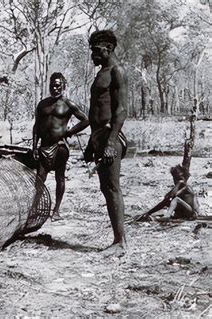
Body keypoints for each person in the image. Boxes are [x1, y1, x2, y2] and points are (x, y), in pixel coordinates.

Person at [84, 30, 128, 252]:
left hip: (110, 137)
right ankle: (116, 239)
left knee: (112, 187)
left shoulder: (117, 71)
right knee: (105, 187)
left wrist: (111, 142)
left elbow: (120, 111)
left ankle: (120, 242)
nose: (93, 56)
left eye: (95, 51)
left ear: (108, 48)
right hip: (99, 137)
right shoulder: (102, 72)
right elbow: (95, 111)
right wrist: (91, 143)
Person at [32, 72, 89, 220]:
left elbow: (85, 120)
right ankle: (34, 209)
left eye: (57, 85)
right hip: (44, 146)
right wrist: (34, 147)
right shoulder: (42, 104)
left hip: (60, 146)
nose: (55, 88)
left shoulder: (68, 104)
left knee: (60, 178)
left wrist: (70, 132)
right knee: (40, 178)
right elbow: (36, 126)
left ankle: (56, 211)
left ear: (63, 86)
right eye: (52, 86)